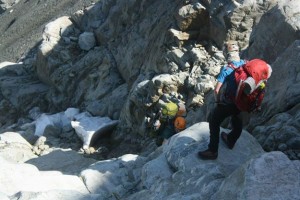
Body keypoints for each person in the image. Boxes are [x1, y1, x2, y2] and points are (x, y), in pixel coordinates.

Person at [198, 40, 247, 160]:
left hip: (228, 102)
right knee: (237, 120)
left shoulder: (227, 69)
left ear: (226, 54)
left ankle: (212, 151)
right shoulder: (246, 64)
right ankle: (231, 140)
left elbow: (216, 90)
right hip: (241, 102)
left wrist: (217, 101)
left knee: (214, 122)